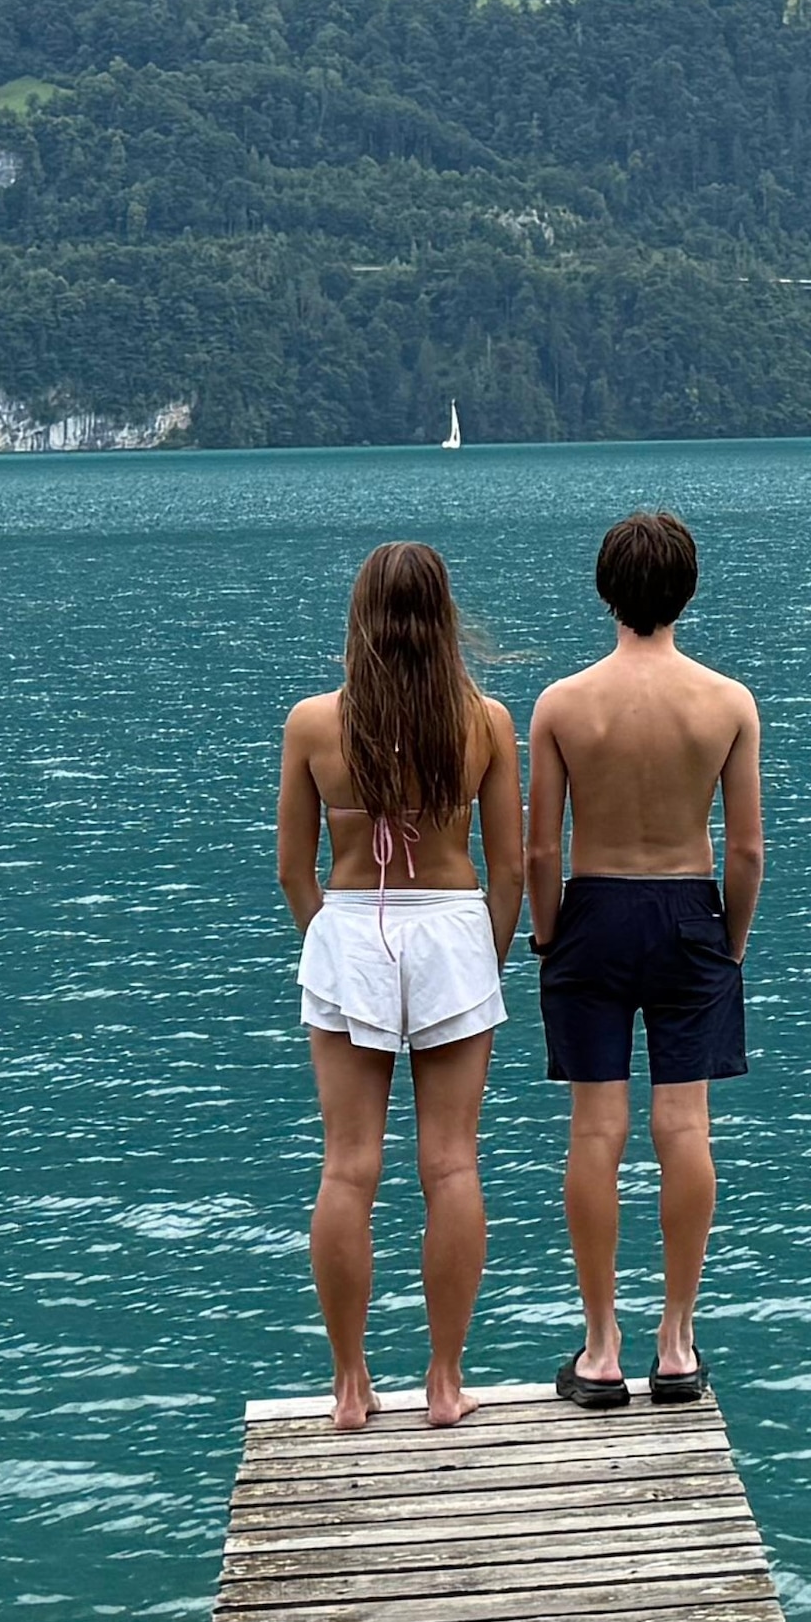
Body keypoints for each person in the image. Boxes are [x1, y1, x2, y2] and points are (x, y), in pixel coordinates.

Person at [279, 540, 523, 1431]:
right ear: (445, 619)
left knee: (348, 1167)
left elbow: (293, 870)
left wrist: (334, 951)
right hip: (454, 929)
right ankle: (446, 1382)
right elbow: (511, 870)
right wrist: (484, 960)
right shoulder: (486, 723)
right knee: (451, 1163)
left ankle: (350, 1386)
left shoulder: (313, 724)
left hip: (350, 927)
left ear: (361, 619)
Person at [523, 508, 763, 1409]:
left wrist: (548, 933)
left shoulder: (562, 704)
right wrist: (730, 941)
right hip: (689, 909)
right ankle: (676, 1342)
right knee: (684, 1127)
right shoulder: (727, 703)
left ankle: (599, 1347)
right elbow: (746, 850)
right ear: (687, 593)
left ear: (606, 592)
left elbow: (540, 848)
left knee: (596, 1131)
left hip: (591, 909)